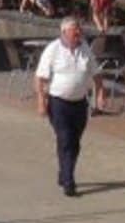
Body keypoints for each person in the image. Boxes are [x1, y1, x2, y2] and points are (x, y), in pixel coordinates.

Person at [34, 16, 104, 196]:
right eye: (75, 30)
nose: (78, 33)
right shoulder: (53, 49)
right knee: (65, 139)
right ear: (64, 32)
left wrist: (100, 95)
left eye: (79, 30)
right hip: (58, 102)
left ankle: (63, 171)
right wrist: (41, 101)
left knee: (74, 143)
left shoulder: (85, 49)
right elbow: (40, 78)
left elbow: (96, 73)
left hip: (80, 103)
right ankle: (69, 181)